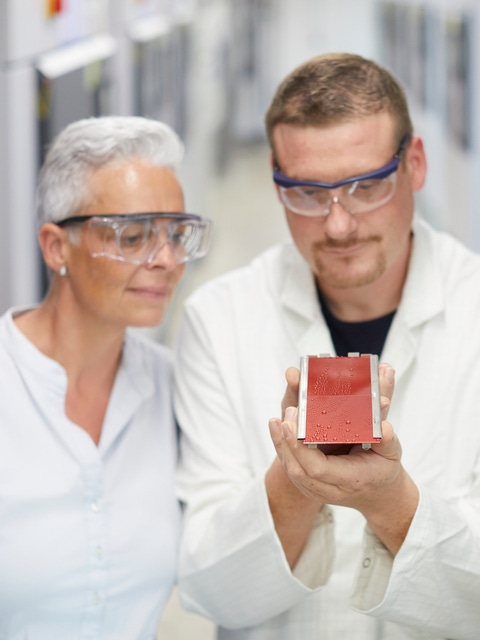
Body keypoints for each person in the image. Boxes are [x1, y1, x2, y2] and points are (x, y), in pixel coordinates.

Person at [173, 53, 480, 639]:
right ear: (275, 177)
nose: (338, 225)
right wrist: (295, 483)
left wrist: (391, 503)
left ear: (415, 164)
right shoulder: (219, 318)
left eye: (366, 187)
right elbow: (208, 586)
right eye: (308, 193)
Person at [0, 115, 211, 639]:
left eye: (177, 234)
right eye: (134, 236)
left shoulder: (170, 388)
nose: (166, 260)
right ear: (55, 247)